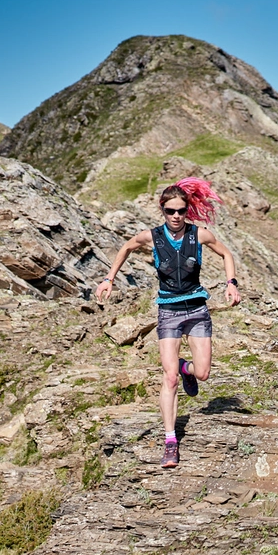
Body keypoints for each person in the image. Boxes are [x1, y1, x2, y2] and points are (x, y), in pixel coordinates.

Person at [95, 177, 241, 468]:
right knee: (169, 377)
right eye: (170, 211)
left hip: (197, 309)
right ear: (162, 211)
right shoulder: (151, 237)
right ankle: (170, 441)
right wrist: (109, 279)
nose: (176, 217)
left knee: (202, 374)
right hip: (168, 313)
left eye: (181, 211)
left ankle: (187, 367)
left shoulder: (199, 235)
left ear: (188, 211)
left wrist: (231, 283)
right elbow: (125, 248)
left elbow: (226, 253)